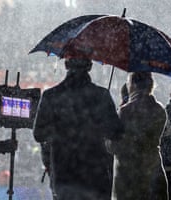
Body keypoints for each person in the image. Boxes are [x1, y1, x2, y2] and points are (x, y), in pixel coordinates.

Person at [33, 58, 123, 200]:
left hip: (64, 174)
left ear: (66, 65)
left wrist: (61, 131)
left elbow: (38, 134)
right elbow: (116, 132)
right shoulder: (101, 95)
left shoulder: (51, 95)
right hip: (95, 175)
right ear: (90, 67)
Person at [111, 72, 168, 200]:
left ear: (133, 85)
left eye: (128, 82)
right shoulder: (160, 110)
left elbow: (114, 147)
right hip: (153, 171)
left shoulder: (125, 111)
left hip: (129, 177)